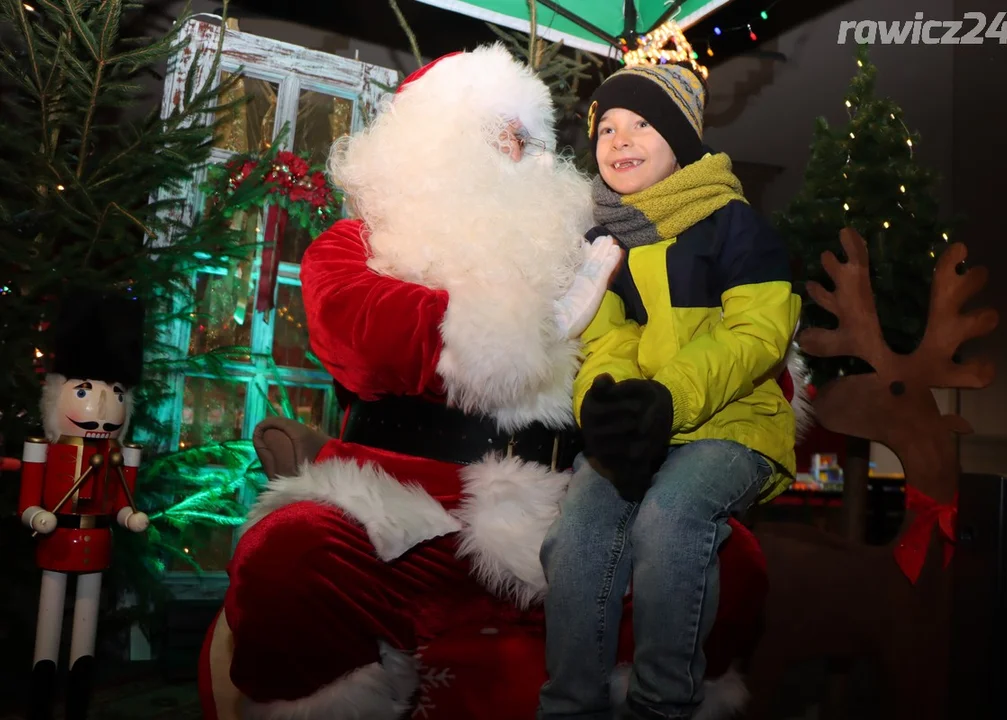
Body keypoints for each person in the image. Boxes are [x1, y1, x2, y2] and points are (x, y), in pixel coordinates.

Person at [199, 46, 802, 720]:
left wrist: (678, 399)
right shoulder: (366, 242)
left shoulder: (594, 249)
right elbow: (349, 330)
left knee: (732, 563)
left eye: (528, 138)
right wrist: (502, 325)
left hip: (564, 503)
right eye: (496, 134)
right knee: (286, 556)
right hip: (402, 504)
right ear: (430, 145)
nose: (517, 151)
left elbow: (707, 338)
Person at [538, 63, 803, 720]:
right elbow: (605, 341)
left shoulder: (733, 223)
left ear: (681, 138)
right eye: (607, 127)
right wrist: (608, 407)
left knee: (672, 515)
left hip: (733, 424)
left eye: (641, 124)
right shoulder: (603, 242)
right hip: (648, 429)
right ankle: (569, 707)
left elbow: (757, 335)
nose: (620, 139)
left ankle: (661, 705)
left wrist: (668, 401)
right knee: (575, 532)